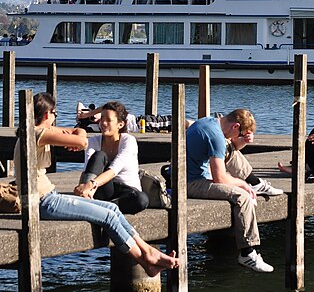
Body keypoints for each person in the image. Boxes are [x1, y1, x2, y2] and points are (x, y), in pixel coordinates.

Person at [14, 93, 179, 277]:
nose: (55, 118)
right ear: (47, 115)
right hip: (44, 202)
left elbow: (71, 133)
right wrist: (80, 132)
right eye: (55, 114)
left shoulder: (32, 131)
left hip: (50, 197)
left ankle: (147, 251)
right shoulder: (39, 133)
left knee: (112, 209)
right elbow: (82, 140)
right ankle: (145, 260)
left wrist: (75, 131)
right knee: (108, 217)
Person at [186, 109, 278, 273]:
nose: (237, 137)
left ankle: (254, 182)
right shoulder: (216, 137)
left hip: (192, 175)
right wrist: (242, 185)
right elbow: (219, 179)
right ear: (236, 126)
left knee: (229, 148)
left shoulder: (211, 123)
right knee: (243, 197)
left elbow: (228, 149)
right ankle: (247, 253)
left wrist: (242, 141)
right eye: (239, 133)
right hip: (190, 183)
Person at [72, 101, 149, 214]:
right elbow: (88, 169)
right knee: (99, 155)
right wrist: (84, 186)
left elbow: (114, 170)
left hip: (126, 190)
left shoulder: (128, 141)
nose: (103, 123)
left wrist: (91, 184)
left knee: (142, 200)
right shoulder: (93, 142)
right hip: (102, 189)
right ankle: (87, 200)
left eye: (108, 120)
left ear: (120, 124)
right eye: (102, 119)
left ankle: (102, 208)